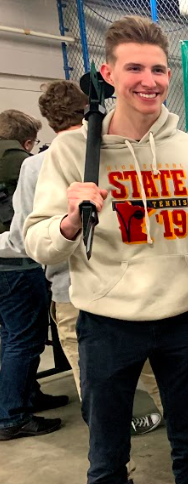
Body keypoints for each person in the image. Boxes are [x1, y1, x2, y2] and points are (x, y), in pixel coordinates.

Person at [23, 16, 188, 484]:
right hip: (107, 326)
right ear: (109, 74)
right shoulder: (72, 153)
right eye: (135, 69)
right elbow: (40, 245)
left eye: (159, 70)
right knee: (107, 458)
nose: (149, 81)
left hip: (185, 321)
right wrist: (67, 222)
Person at [13, 80, 164, 439]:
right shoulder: (126, 151)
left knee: (96, 388)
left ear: (48, 119)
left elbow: (24, 239)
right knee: (154, 370)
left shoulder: (36, 167)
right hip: (132, 288)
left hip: (71, 292)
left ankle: (116, 465)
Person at [0, 109, 67, 441]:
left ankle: (21, 398)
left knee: (8, 336)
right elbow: (28, 218)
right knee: (25, 339)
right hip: (16, 262)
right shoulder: (22, 163)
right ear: (26, 140)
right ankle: (12, 414)